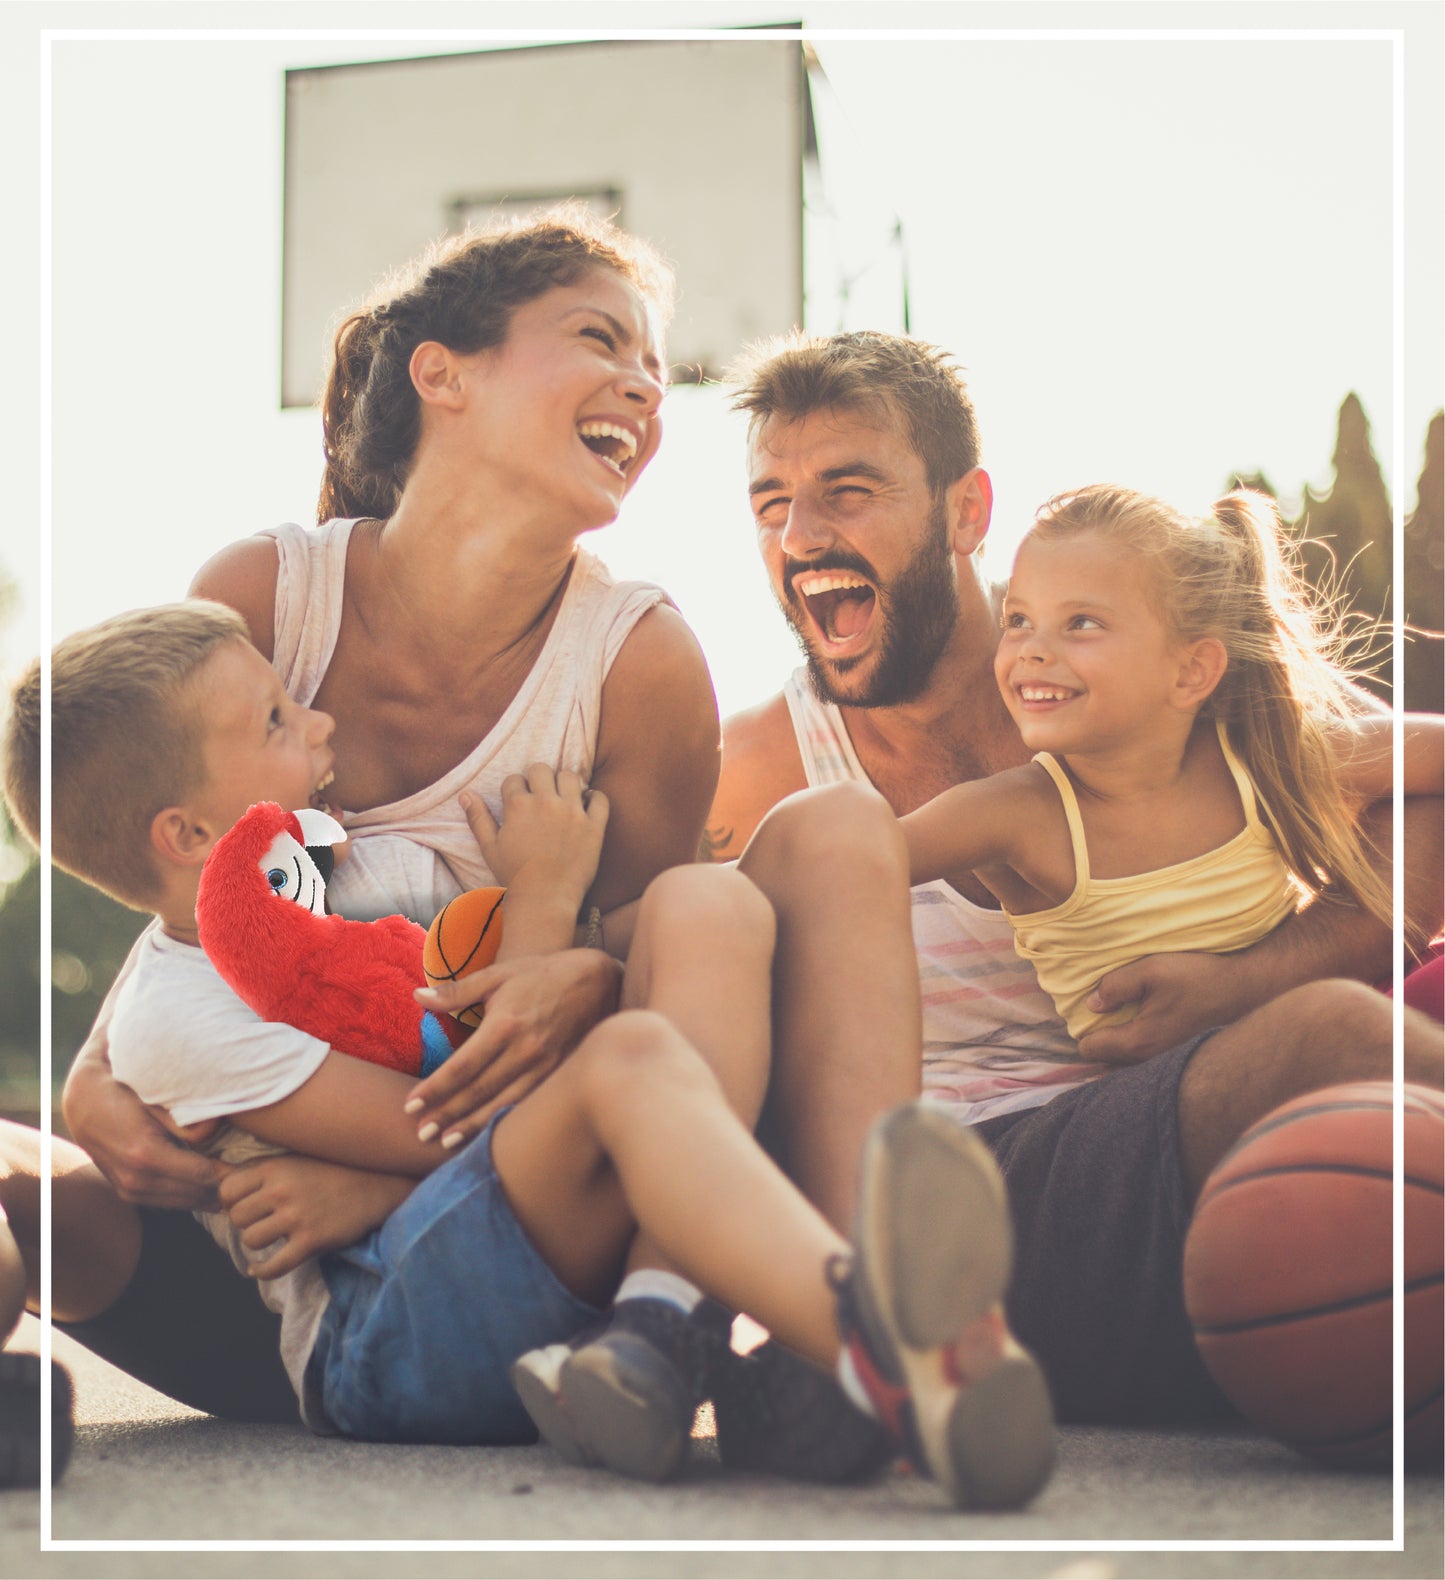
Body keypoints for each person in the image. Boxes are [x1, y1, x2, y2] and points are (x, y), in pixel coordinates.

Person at [2, 600, 1055, 1510]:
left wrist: (590, 942)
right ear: (187, 835)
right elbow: (452, 1121)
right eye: (277, 718)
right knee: (630, 1060)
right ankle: (881, 1339)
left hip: (493, 1251)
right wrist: (545, 908)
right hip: (387, 1336)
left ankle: (685, 1330)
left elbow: (500, 1031)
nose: (318, 721)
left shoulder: (346, 886)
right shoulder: (176, 1013)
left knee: (707, 903)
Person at [707, 330, 1444, 1427]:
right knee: (1334, 1037)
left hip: (1185, 1137)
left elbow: (1412, 778)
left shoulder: (1135, 679)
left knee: (1350, 1060)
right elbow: (672, 942)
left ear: (966, 511)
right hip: (971, 1192)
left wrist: (1248, 979)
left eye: (846, 492)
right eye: (770, 503)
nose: (799, 534)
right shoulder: (757, 765)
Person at [900, 482, 1445, 1041]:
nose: (1031, 649)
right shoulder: (1008, 813)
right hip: (1174, 1079)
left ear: (1191, 672)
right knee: (1354, 1025)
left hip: (1317, 1028)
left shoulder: (1254, 761)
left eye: (1081, 622)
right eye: (1017, 619)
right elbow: (861, 859)